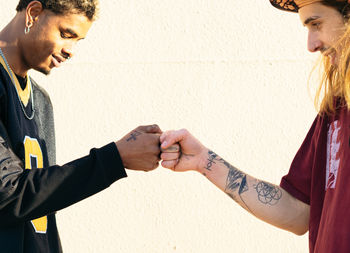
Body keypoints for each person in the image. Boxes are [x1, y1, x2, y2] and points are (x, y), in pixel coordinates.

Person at [160, 0, 350, 252]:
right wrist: (203, 160)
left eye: (316, 24)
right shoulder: (336, 109)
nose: (311, 45)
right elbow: (299, 213)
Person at [0, 0, 167, 252]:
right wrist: (115, 158)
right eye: (66, 34)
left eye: (78, 41)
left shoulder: (41, 101)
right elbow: (7, 194)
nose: (71, 50)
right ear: (33, 14)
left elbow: (42, 205)